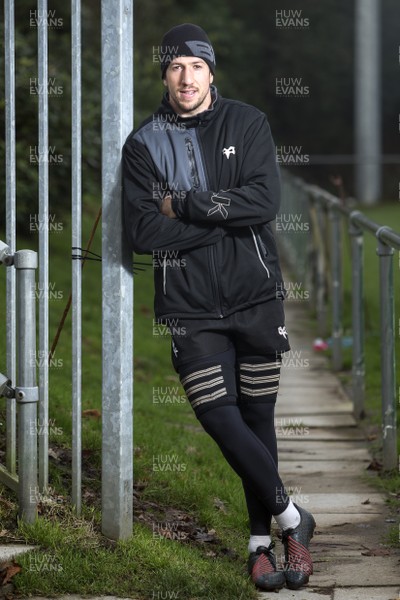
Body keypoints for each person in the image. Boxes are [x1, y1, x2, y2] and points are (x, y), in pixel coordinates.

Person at [123, 23, 316, 592]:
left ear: (212, 72)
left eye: (197, 66)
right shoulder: (144, 143)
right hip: (189, 303)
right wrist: (218, 223)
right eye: (176, 67)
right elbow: (142, 231)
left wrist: (183, 205)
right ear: (165, 74)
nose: (187, 77)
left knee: (257, 419)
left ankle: (261, 544)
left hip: (255, 294)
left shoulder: (247, 122)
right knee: (218, 415)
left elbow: (263, 201)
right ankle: (293, 518)